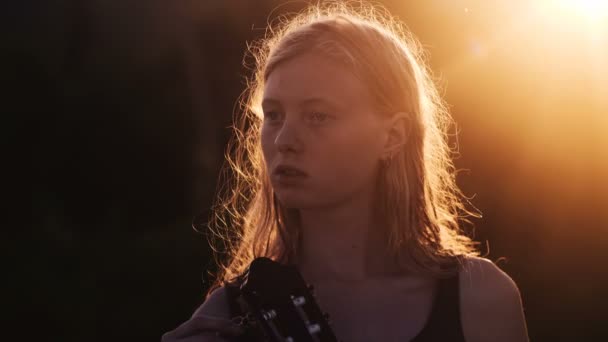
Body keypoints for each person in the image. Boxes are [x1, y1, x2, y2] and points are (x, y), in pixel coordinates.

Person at [162, 2, 529, 341]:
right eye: (273, 115)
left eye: (318, 116)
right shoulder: (232, 317)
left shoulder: (480, 300)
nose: (285, 140)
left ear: (392, 135)